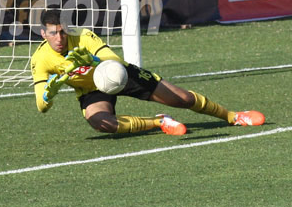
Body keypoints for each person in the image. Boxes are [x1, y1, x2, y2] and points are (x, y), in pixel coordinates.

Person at [30, 9, 265, 136]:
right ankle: (160, 122)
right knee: (101, 123)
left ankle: (233, 116)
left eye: (62, 32)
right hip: (92, 91)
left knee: (182, 99)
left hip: (121, 75)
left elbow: (115, 60)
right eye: (52, 33)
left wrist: (93, 60)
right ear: (43, 34)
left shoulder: (82, 36)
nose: (59, 38)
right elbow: (41, 106)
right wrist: (49, 94)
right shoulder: (40, 60)